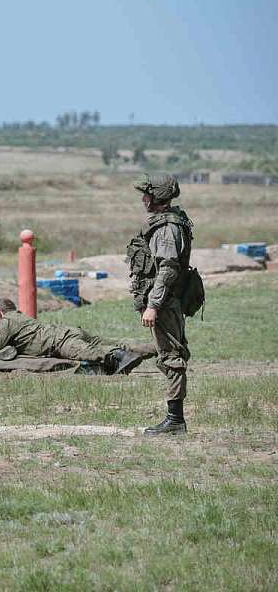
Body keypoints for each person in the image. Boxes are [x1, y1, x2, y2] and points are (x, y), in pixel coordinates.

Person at [126, 174, 193, 435]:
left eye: (147, 194)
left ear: (159, 196)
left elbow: (167, 269)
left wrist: (153, 305)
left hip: (165, 301)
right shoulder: (166, 222)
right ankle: (174, 418)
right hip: (164, 299)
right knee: (169, 354)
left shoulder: (167, 228)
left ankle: (175, 420)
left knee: (172, 357)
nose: (143, 199)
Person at [0, 298, 150, 374]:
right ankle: (156, 348)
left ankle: (120, 356)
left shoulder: (7, 320)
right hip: (67, 332)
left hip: (60, 342)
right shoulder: (19, 316)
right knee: (114, 342)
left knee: (93, 352)